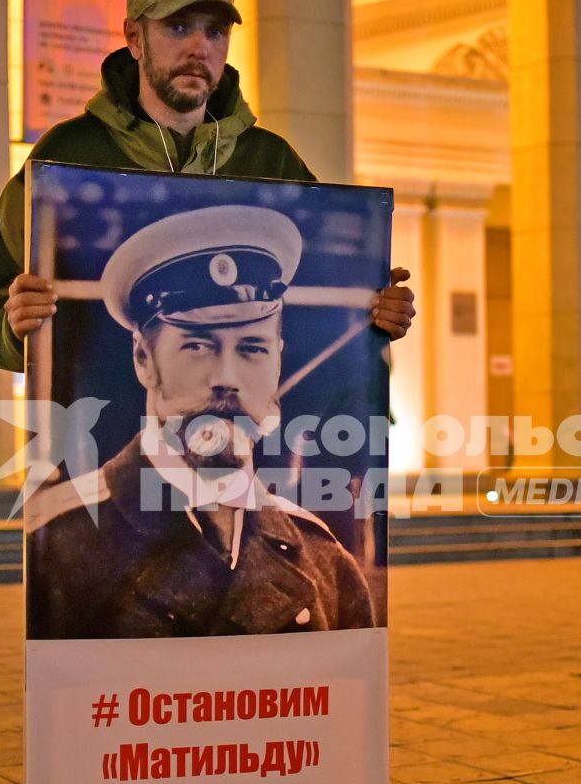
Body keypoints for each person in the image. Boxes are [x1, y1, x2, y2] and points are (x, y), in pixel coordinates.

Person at [0, 0, 414, 372]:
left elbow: (321, 308)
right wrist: (12, 326)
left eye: (216, 31)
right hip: (93, 444)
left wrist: (374, 310)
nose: (200, 47)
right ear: (134, 38)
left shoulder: (270, 160)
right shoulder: (69, 155)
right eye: (178, 27)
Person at [25, 204, 374, 638]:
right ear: (143, 359)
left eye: (252, 349)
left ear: (278, 361)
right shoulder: (61, 541)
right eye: (197, 347)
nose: (226, 380)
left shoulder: (322, 556)